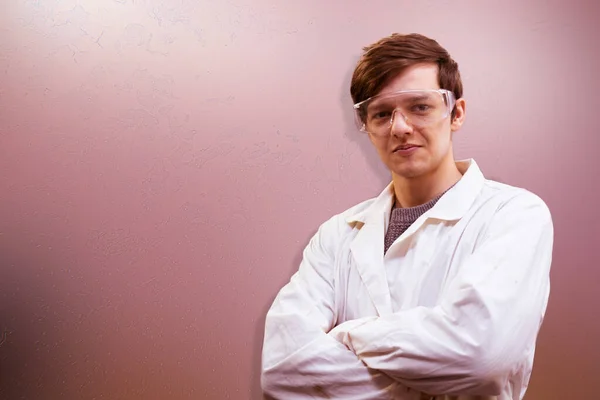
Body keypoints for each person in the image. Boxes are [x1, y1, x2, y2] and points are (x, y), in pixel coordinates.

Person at [260, 33, 554, 400]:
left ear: (456, 113)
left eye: (419, 106)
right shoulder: (335, 236)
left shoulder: (514, 216)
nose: (399, 127)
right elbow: (282, 369)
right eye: (382, 113)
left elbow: (481, 358)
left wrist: (348, 334)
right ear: (367, 127)